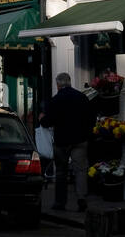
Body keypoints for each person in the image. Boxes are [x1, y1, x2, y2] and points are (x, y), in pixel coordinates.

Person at [39, 73, 97, 212]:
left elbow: (47, 122)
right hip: (80, 139)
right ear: (70, 82)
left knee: (61, 172)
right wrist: (86, 134)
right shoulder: (82, 98)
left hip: (62, 141)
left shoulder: (55, 100)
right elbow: (91, 119)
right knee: (81, 170)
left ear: (58, 85)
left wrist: (42, 118)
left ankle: (60, 202)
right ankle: (81, 199)